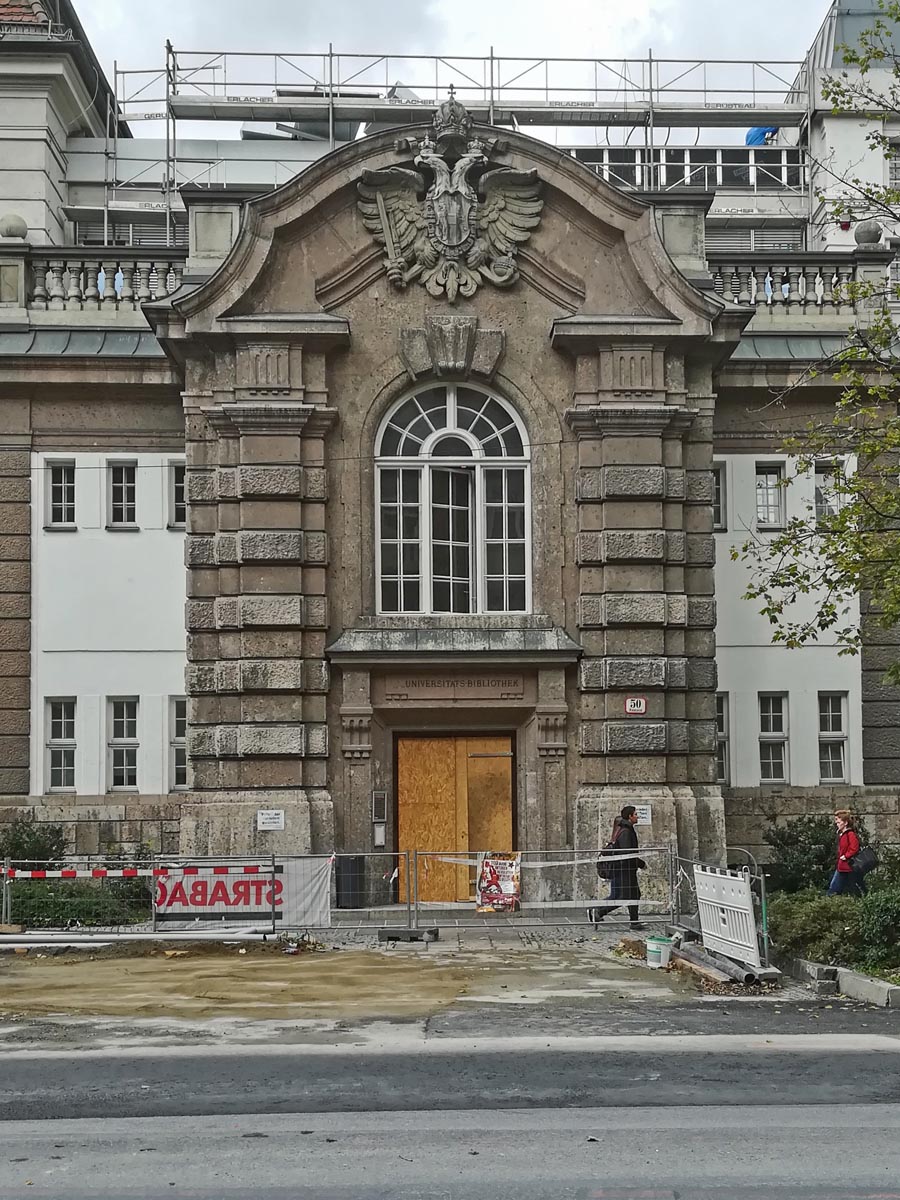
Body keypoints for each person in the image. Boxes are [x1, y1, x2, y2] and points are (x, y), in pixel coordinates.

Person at [591, 805, 646, 929]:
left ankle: (634, 922)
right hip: (623, 870)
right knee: (622, 897)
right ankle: (598, 911)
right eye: (636, 814)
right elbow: (627, 853)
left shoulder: (626, 829)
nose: (638, 816)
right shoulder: (626, 832)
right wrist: (640, 863)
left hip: (627, 869)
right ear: (630, 816)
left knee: (634, 894)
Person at [827, 810, 865, 897]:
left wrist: (846, 856)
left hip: (847, 866)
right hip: (843, 866)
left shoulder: (850, 834)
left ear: (845, 823)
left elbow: (854, 848)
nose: (837, 824)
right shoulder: (843, 834)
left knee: (834, 889)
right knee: (852, 888)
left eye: (839, 822)